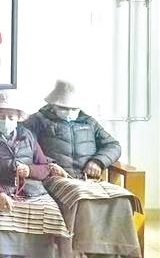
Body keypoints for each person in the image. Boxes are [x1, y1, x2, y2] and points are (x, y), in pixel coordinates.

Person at [24, 79, 141, 257]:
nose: (69, 112)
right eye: (64, 108)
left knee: (121, 198)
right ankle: (85, 251)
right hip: (55, 178)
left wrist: (98, 161)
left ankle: (114, 252)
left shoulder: (89, 122)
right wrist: (50, 164)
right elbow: (25, 147)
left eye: (74, 108)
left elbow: (113, 145)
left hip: (88, 179)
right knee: (81, 196)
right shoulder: (37, 120)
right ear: (54, 104)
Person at [0, 90, 70, 258]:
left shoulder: (28, 135)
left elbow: (44, 166)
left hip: (33, 189)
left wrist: (29, 170)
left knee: (49, 211)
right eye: (1, 116)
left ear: (18, 117)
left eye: (11, 117)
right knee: (1, 215)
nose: (6, 120)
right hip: (0, 187)